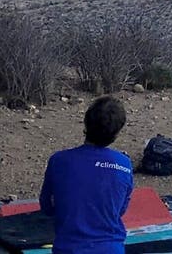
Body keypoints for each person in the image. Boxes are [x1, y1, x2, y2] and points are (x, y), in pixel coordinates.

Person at [40, 96, 135, 254]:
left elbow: (47, 207)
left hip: (69, 248)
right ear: (116, 132)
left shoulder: (59, 160)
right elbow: (120, 209)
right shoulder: (124, 164)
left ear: (86, 123)